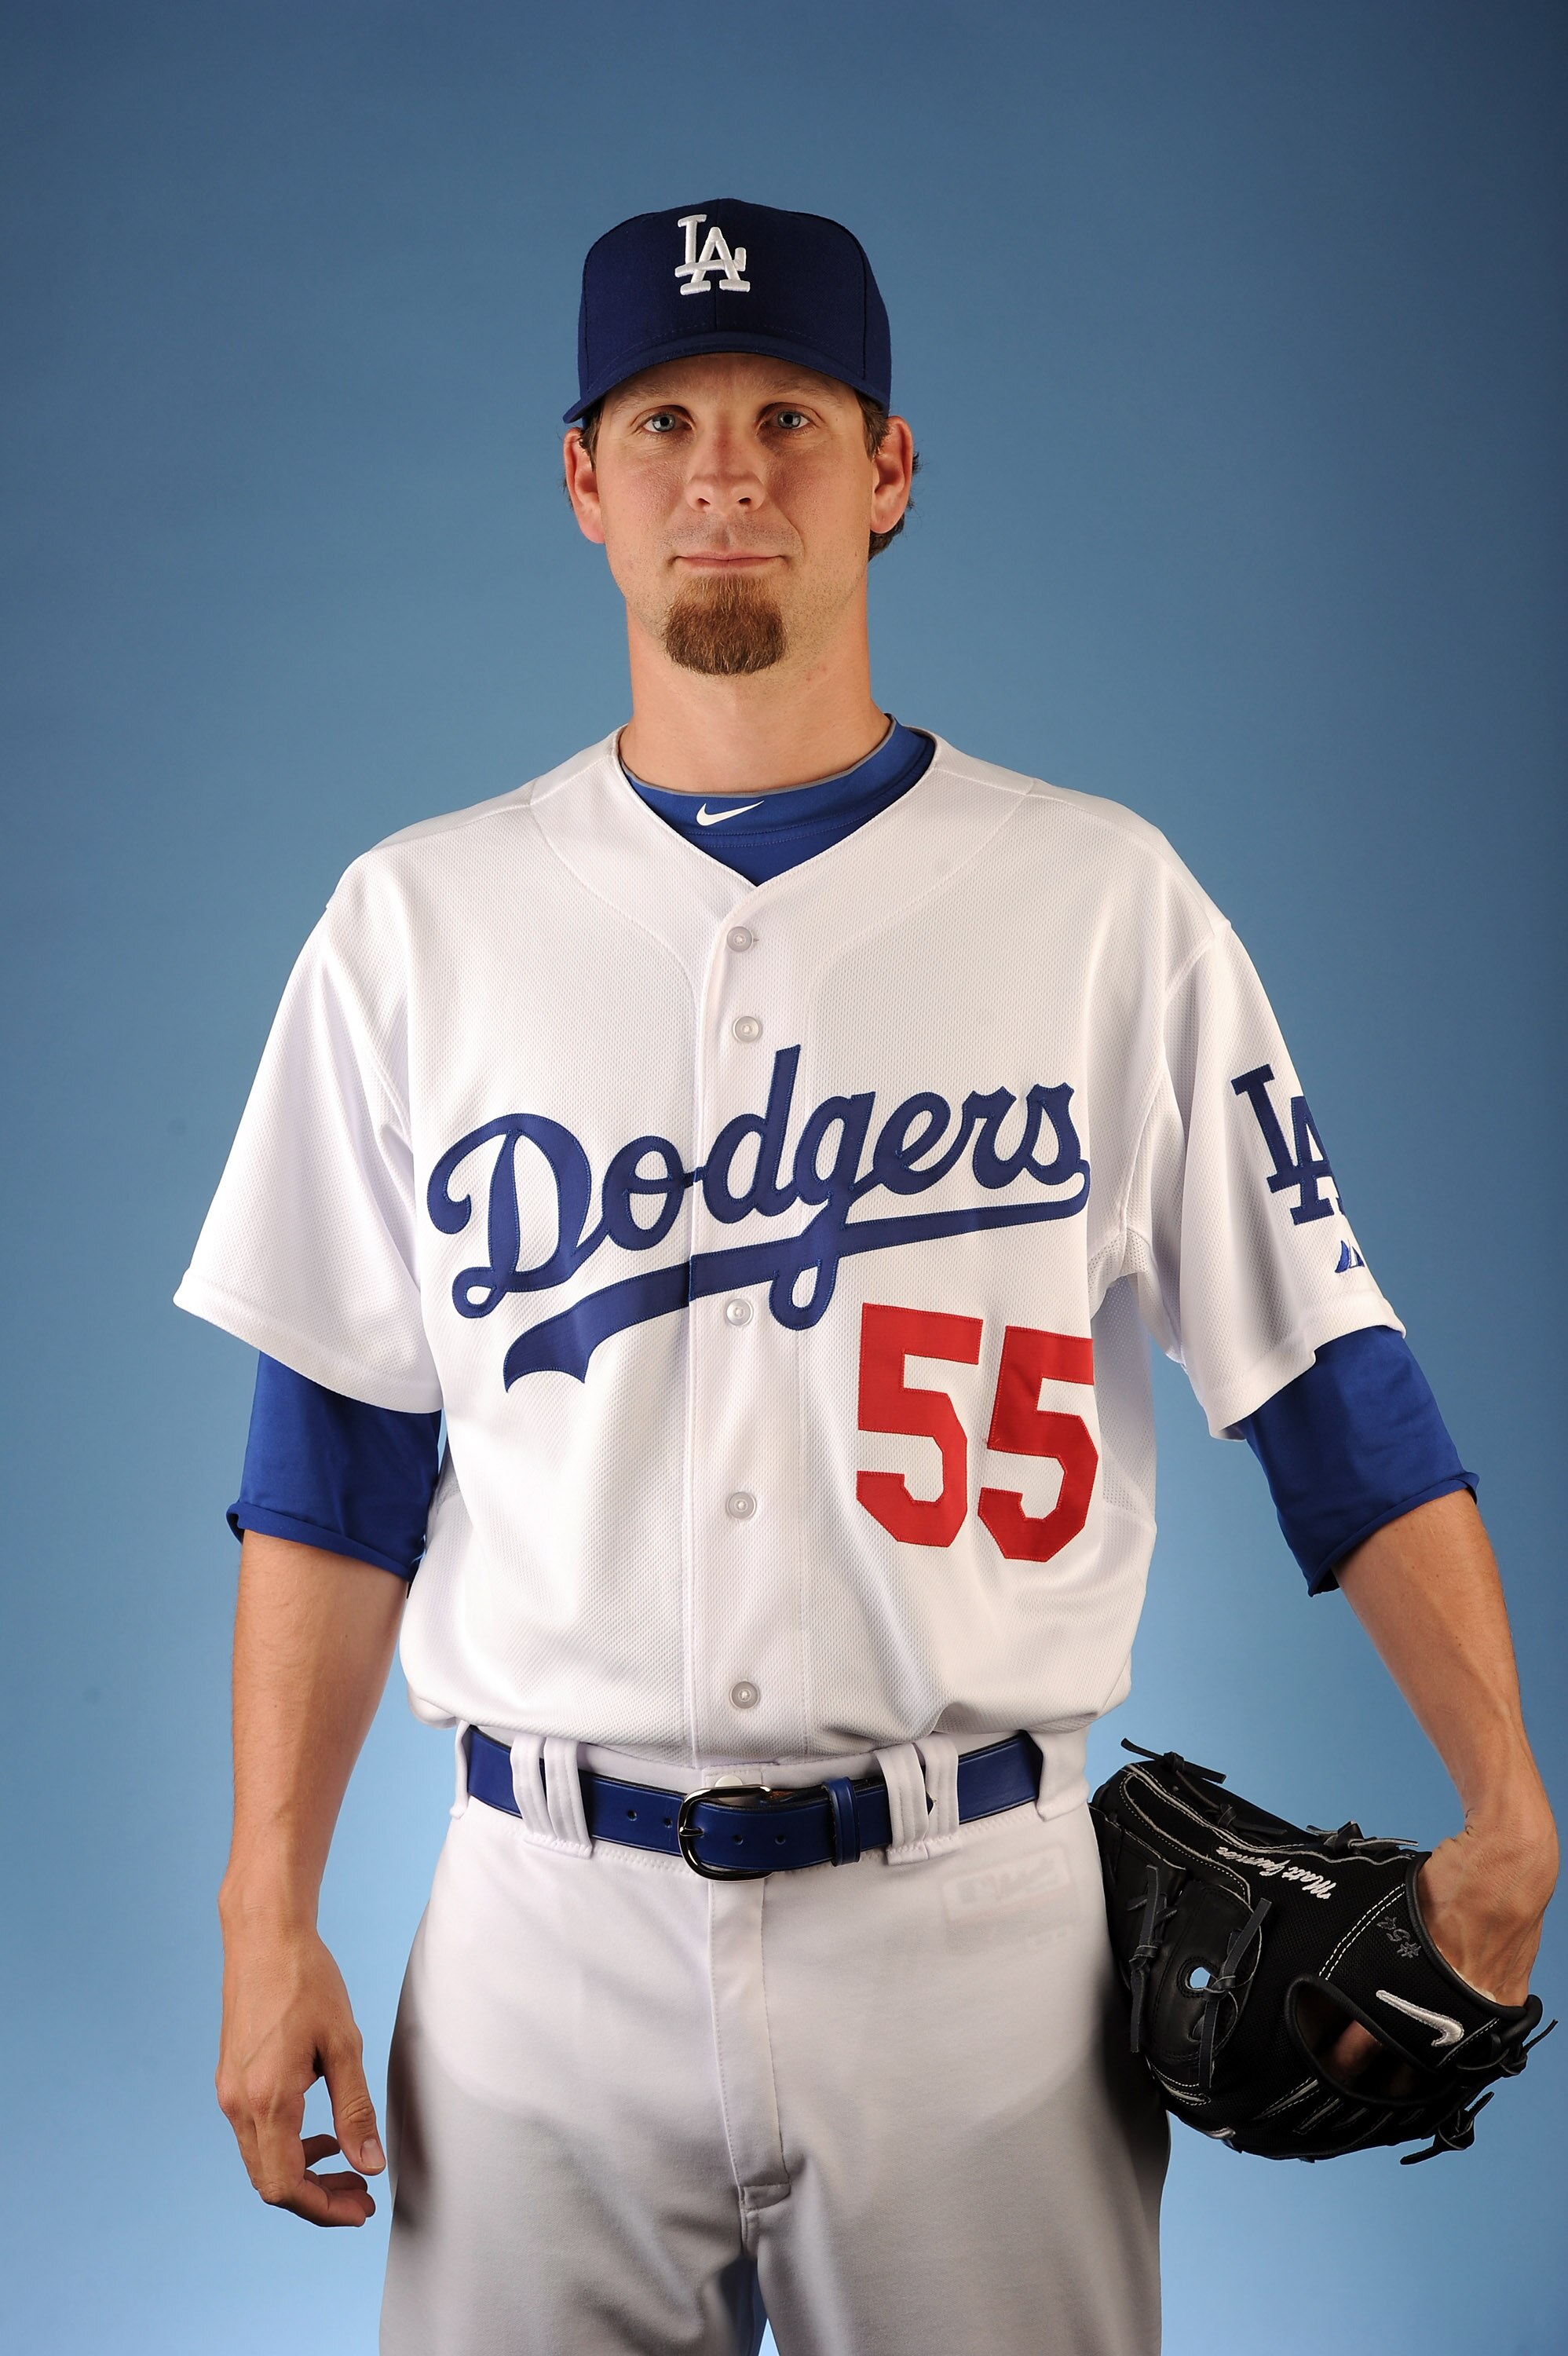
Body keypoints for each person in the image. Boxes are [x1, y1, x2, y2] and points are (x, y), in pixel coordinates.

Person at [178, 200, 1556, 2355]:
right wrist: (270, 1904)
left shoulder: (1105, 905)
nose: (726, 470)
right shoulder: (415, 928)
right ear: (585, 482)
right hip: (544, 1934)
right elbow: (335, 1463)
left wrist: (1510, 1804)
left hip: (979, 1939)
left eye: (790, 418)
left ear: (889, 471)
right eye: (665, 420)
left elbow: (1326, 1385)